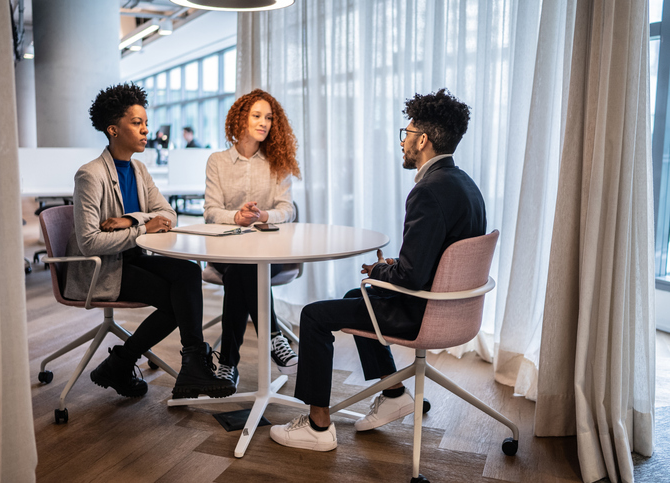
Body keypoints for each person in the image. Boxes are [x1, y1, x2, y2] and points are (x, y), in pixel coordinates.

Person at [269, 89, 486, 451]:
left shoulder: (428, 191)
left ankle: (318, 427)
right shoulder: (464, 184)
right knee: (360, 296)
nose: (403, 143)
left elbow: (413, 278)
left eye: (407, 134)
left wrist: (382, 272)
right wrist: (392, 268)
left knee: (314, 316)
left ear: (423, 140)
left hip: (424, 313)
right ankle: (394, 391)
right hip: (454, 308)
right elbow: (436, 261)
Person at [64, 83, 235, 401]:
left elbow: (167, 215)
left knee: (187, 272)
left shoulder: (139, 169)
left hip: (131, 257)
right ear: (113, 130)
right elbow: (89, 242)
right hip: (103, 268)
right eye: (136, 123)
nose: (146, 130)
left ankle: (182, 363)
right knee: (177, 301)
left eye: (145, 123)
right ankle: (174, 365)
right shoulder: (90, 175)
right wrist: (145, 227)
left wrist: (131, 220)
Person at [203, 89, 302, 386]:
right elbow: (210, 211)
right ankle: (273, 337)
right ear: (239, 120)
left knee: (242, 271)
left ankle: (228, 363)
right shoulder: (217, 161)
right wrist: (236, 217)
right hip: (225, 251)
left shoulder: (277, 161)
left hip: (269, 253)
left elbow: (287, 209)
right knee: (242, 268)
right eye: (256, 116)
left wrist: (262, 216)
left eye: (269, 117)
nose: (264, 123)